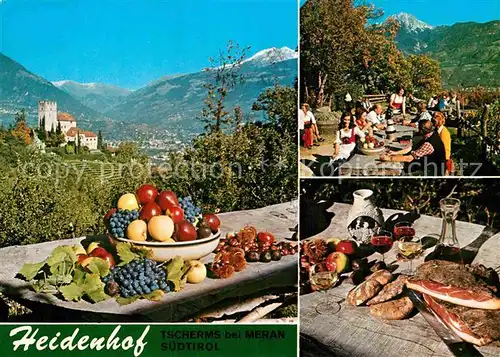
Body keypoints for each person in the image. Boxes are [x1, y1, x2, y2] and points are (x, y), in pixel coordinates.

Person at [379, 119, 446, 176]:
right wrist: (394, 153)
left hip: (433, 171)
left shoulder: (428, 143)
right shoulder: (431, 135)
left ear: (421, 130)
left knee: (404, 175)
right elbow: (411, 148)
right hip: (429, 165)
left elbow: (409, 158)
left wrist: (389, 159)